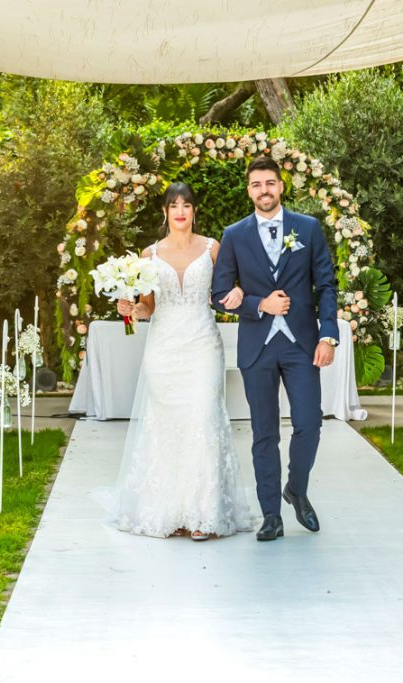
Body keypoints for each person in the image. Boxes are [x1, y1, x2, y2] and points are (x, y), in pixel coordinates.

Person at [111, 182, 254, 541]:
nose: (180, 211)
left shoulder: (212, 248)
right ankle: (170, 511)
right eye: (173, 205)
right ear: (165, 211)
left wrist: (238, 292)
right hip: (163, 350)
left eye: (186, 205)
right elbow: (148, 306)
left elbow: (227, 291)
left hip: (202, 345)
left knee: (204, 418)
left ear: (194, 211)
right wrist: (131, 309)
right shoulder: (149, 255)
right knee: (167, 427)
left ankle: (204, 513)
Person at [211, 155, 339, 541]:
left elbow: (326, 285)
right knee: (264, 433)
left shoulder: (308, 228)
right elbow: (219, 294)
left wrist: (327, 335)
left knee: (309, 423)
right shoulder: (234, 235)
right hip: (258, 347)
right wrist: (257, 304)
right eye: (256, 184)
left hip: (302, 344)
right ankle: (271, 515)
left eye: (270, 183)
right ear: (248, 190)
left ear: (281, 186)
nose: (263, 190)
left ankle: (296, 490)